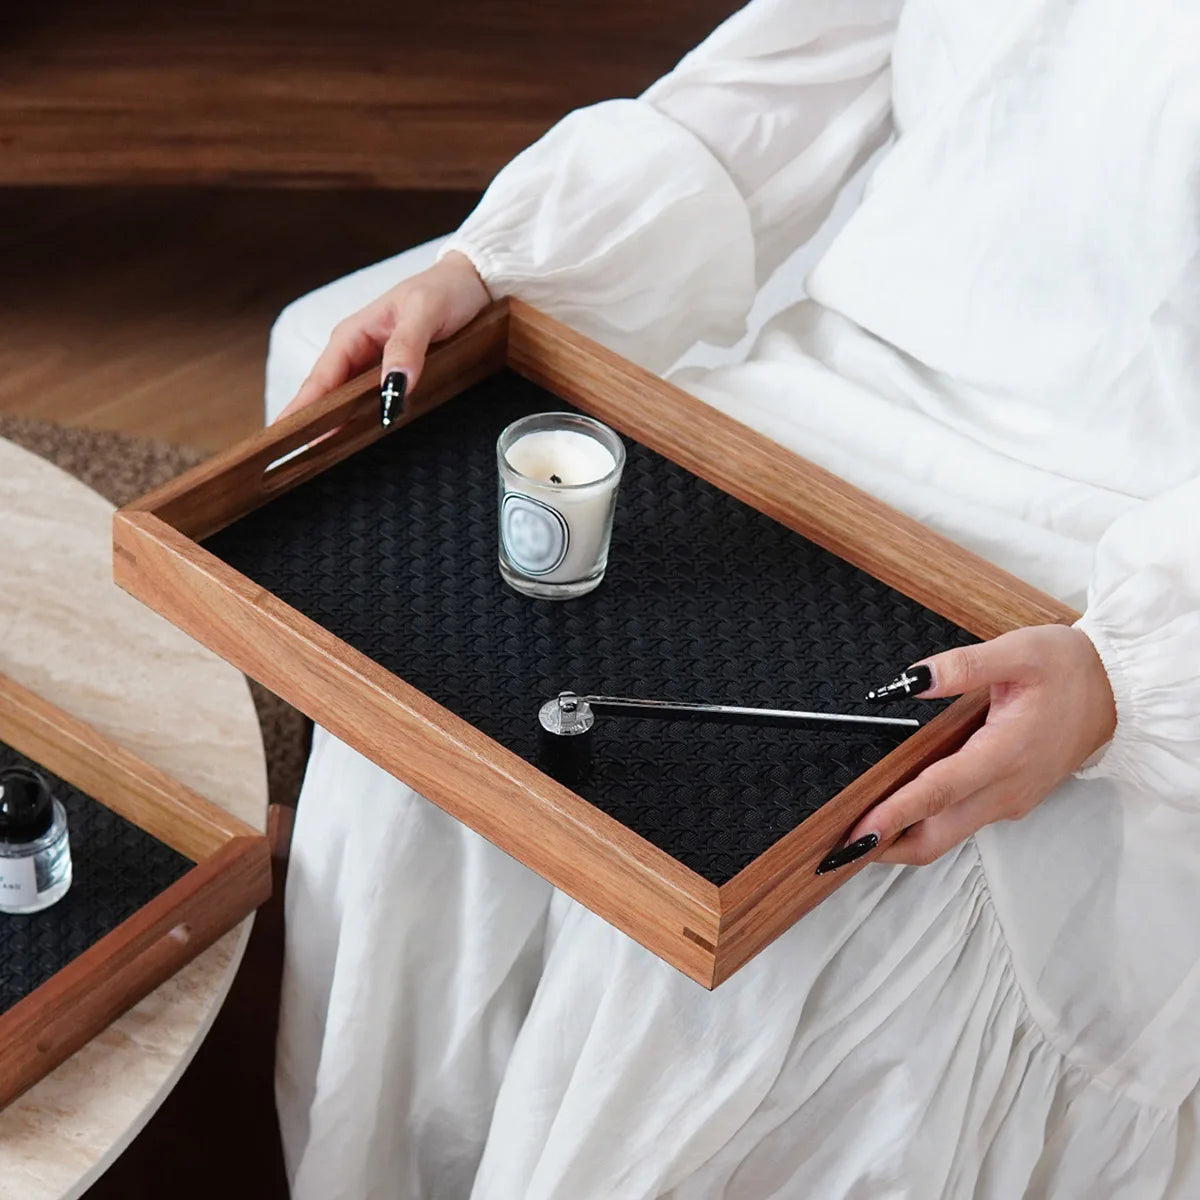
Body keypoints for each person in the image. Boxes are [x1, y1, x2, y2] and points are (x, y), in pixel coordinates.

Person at [267, 1, 1200, 1196]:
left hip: (1111, 562)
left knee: (767, 938)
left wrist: (1130, 676)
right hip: (807, 417)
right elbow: (782, 82)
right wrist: (492, 268)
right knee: (421, 732)